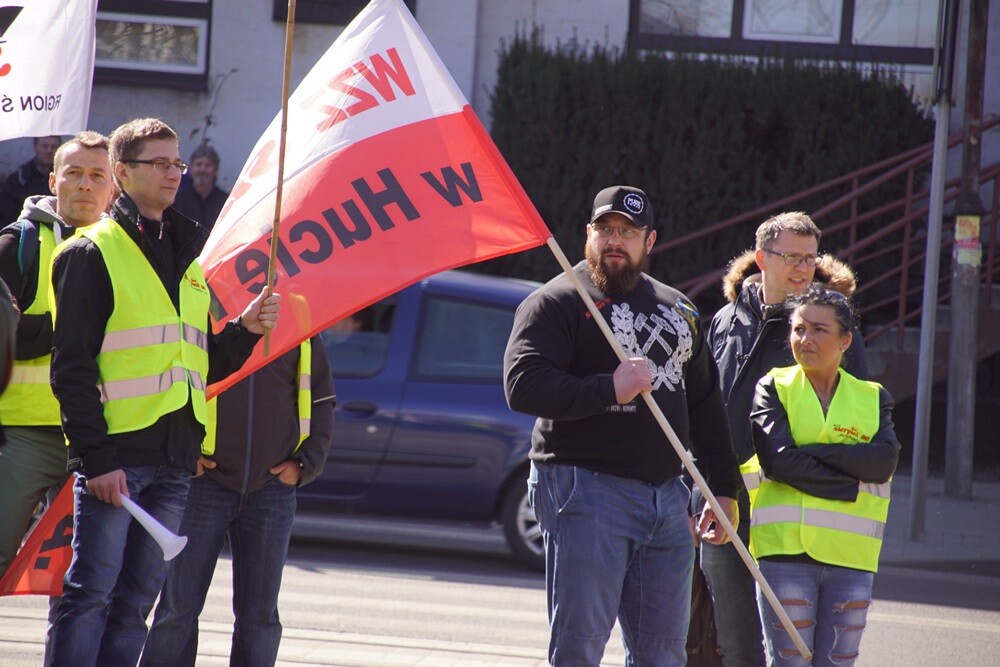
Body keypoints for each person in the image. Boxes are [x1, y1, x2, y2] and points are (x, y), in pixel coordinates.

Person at [45, 117, 280, 667]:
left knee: (134, 608)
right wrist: (94, 459)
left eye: (177, 162)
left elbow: (198, 361)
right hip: (117, 462)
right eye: (160, 163)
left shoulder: (189, 254)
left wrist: (244, 330)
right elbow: (71, 368)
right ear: (122, 173)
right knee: (89, 599)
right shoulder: (90, 252)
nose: (174, 172)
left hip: (175, 460)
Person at [503, 185, 741, 666]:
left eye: (628, 232)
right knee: (580, 647)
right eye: (606, 230)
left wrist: (724, 488)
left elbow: (705, 407)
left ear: (649, 241)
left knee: (663, 654)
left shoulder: (680, 310)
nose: (616, 241)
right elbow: (523, 386)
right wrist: (608, 388)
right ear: (587, 235)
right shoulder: (557, 301)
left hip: (668, 499)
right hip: (585, 490)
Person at [693, 211, 868, 666]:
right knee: (734, 649)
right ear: (760, 258)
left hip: (792, 518)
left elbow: (857, 421)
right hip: (724, 509)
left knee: (788, 654)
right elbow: (704, 411)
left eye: (809, 258)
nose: (800, 268)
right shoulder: (726, 320)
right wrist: (699, 491)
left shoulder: (830, 329)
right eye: (789, 256)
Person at [140, 337, 334, 667]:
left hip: (271, 490)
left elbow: (322, 397)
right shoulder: (207, 303)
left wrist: (305, 464)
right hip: (205, 485)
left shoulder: (301, 309)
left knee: (259, 616)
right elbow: (168, 379)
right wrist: (185, 452)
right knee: (178, 609)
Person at [749, 286, 900, 666]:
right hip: (784, 554)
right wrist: (851, 481)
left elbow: (882, 464)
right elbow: (779, 462)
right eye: (798, 329)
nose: (805, 339)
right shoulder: (774, 387)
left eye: (819, 330)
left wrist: (811, 453)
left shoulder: (872, 396)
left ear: (845, 340)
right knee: (789, 663)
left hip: (852, 559)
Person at [0, 131, 116, 580]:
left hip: (99, 440)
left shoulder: (130, 252)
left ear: (113, 186)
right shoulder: (18, 247)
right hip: (24, 435)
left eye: (97, 175)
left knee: (80, 583)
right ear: (53, 180)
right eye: (74, 173)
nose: (85, 184)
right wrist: (72, 327)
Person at [0, 136, 62, 225]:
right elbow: (5, 218)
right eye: (45, 146)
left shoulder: (65, 179)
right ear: (35, 146)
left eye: (53, 147)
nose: (49, 150)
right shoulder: (19, 180)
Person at [171, 143, 229, 230]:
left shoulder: (226, 202)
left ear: (216, 171)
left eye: (207, 165)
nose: (202, 169)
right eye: (198, 164)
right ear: (190, 169)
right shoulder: (176, 200)